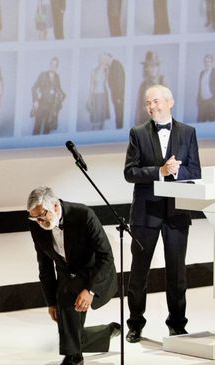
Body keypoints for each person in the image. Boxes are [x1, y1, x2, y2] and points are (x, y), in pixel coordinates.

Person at [124, 84, 201, 343]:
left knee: (177, 272)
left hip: (178, 212)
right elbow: (129, 172)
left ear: (170, 102)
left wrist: (177, 172)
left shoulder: (188, 133)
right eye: (148, 103)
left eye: (156, 101)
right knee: (138, 272)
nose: (152, 107)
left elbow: (195, 172)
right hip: (146, 213)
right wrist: (160, 171)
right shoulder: (137, 133)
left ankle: (177, 324)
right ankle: (135, 324)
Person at [27, 186, 120, 365]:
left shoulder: (84, 215)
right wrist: (51, 302)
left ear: (54, 206)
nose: (39, 221)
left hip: (94, 272)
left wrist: (90, 290)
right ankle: (105, 334)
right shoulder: (36, 226)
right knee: (68, 327)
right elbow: (44, 266)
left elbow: (106, 257)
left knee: (68, 305)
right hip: (67, 276)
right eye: (35, 218)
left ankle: (74, 358)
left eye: (42, 215)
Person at [31, 57, 66, 135]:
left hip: (51, 108)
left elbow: (59, 89)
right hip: (41, 105)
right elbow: (34, 88)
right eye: (52, 64)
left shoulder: (57, 77)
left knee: (47, 130)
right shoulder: (43, 75)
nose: (53, 67)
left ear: (57, 67)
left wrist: (62, 95)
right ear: (49, 65)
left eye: (55, 65)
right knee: (37, 129)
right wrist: (35, 100)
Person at [135, 51, 165, 126]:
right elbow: (138, 109)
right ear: (146, 68)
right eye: (151, 66)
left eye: (156, 65)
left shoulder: (162, 82)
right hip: (144, 123)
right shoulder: (143, 85)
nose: (154, 68)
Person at [86, 55, 110, 131]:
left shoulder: (106, 71)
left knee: (102, 119)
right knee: (95, 119)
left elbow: (109, 84)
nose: (104, 62)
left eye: (105, 61)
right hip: (96, 96)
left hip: (104, 97)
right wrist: (89, 100)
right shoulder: (94, 71)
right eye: (103, 60)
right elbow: (91, 86)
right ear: (100, 61)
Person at [106, 53, 125, 129]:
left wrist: (118, 97)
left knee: (119, 115)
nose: (104, 61)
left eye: (105, 59)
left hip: (118, 97)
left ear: (109, 57)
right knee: (118, 115)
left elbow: (119, 81)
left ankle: (119, 129)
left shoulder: (115, 65)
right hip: (116, 97)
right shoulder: (111, 66)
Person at [197, 53, 215, 122]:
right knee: (201, 121)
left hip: (212, 101)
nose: (207, 63)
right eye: (205, 62)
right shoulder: (202, 73)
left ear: (212, 62)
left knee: (212, 123)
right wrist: (198, 100)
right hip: (202, 102)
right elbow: (200, 87)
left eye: (209, 62)